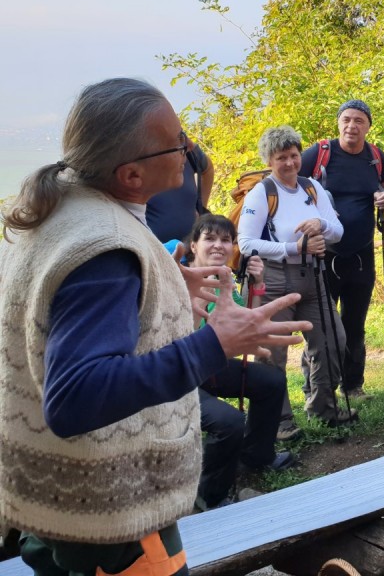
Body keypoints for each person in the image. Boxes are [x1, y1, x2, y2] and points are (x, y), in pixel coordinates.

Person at [0, 78, 306, 576]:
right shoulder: (104, 247)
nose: (189, 151)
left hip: (61, 504)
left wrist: (160, 281)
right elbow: (75, 396)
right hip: (112, 524)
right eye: (177, 142)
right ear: (132, 174)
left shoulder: (62, 209)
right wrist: (214, 344)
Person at [238, 125, 350, 436]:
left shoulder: (312, 187)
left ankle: (323, 407)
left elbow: (337, 231)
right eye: (281, 158)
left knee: (333, 342)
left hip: (313, 277)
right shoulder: (261, 192)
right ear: (269, 161)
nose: (289, 163)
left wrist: (321, 223)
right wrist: (294, 247)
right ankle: (278, 421)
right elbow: (246, 243)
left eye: (294, 155)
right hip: (272, 279)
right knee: (272, 352)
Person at [187, 214, 295, 512]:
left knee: (272, 381)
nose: (219, 245)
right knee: (228, 421)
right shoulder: (177, 278)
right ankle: (210, 494)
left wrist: (257, 284)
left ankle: (256, 455)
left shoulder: (225, 281)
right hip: (177, 377)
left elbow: (247, 327)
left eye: (225, 240)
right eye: (209, 238)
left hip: (210, 367)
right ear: (193, 245)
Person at [299, 99, 384, 400]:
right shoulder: (319, 153)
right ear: (339, 122)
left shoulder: (376, 157)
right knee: (321, 324)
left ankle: (353, 385)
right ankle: (315, 387)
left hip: (361, 252)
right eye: (347, 119)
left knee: (355, 323)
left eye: (359, 121)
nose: (352, 126)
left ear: (368, 126)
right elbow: (289, 183)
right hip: (322, 254)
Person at [146, 135, 214, 243]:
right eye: (179, 136)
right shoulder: (138, 153)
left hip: (191, 251)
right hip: (152, 254)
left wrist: (200, 208)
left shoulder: (186, 148)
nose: (190, 145)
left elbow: (208, 168)